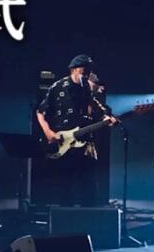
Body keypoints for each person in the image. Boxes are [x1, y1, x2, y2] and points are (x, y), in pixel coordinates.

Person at [34, 54, 117, 206]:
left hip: (84, 141)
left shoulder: (86, 88)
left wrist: (106, 116)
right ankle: (64, 217)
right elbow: (40, 112)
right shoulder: (58, 86)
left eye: (89, 71)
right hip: (63, 141)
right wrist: (49, 133)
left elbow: (95, 106)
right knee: (65, 186)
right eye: (84, 71)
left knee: (88, 184)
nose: (87, 74)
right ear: (74, 69)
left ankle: (88, 216)